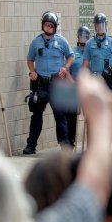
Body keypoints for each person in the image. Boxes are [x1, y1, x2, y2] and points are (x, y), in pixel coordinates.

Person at [0, 70, 112, 222]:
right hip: (44, 87)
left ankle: (65, 143)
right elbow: (91, 190)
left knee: (61, 121)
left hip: (56, 85)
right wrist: (99, 114)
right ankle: (34, 143)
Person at [23, 11, 75, 154]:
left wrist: (65, 68)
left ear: (55, 27)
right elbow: (29, 59)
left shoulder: (61, 41)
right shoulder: (36, 42)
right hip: (41, 84)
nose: (48, 28)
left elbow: (71, 57)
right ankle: (31, 146)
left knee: (60, 116)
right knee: (36, 115)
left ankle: (65, 146)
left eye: (51, 26)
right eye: (46, 25)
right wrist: (32, 71)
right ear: (43, 26)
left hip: (57, 84)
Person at [83, 13, 112, 96]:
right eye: (97, 25)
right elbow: (85, 65)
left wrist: (111, 68)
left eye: (102, 25)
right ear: (95, 26)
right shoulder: (89, 43)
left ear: (106, 25)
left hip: (110, 80)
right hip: (96, 82)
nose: (100, 27)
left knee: (111, 107)